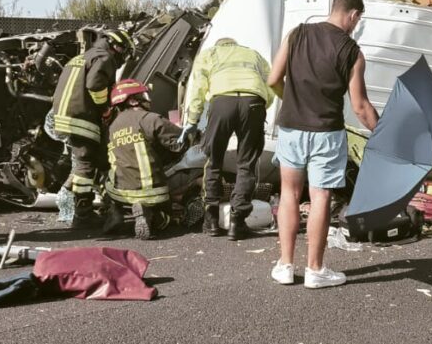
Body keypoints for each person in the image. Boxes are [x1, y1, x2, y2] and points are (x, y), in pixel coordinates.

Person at [267, 0, 379, 289]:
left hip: (291, 128)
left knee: (289, 194)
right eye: (358, 20)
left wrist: (292, 100)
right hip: (326, 134)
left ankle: (285, 265)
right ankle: (315, 270)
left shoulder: (297, 34)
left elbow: (273, 80)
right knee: (320, 197)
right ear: (353, 15)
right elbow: (360, 107)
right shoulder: (352, 52)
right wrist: (381, 134)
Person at [182, 38, 275, 240]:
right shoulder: (254, 54)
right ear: (234, 45)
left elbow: (198, 88)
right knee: (246, 164)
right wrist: (261, 105)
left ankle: (211, 220)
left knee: (213, 161)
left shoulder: (209, 53)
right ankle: (237, 222)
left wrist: (192, 119)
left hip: (222, 103)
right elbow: (271, 83)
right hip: (253, 102)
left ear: (219, 45)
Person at [50, 29, 134, 228]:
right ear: (116, 46)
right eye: (124, 51)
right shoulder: (104, 57)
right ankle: (83, 214)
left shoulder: (79, 58)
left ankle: (86, 208)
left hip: (63, 118)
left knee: (84, 161)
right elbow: (95, 85)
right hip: (82, 119)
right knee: (85, 165)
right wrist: (105, 109)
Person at [101, 79, 187, 240]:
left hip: (120, 192)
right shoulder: (150, 118)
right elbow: (180, 143)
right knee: (168, 216)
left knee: (107, 179)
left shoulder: (112, 127)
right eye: (144, 96)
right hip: (153, 191)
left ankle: (115, 210)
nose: (148, 100)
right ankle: (157, 216)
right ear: (133, 101)